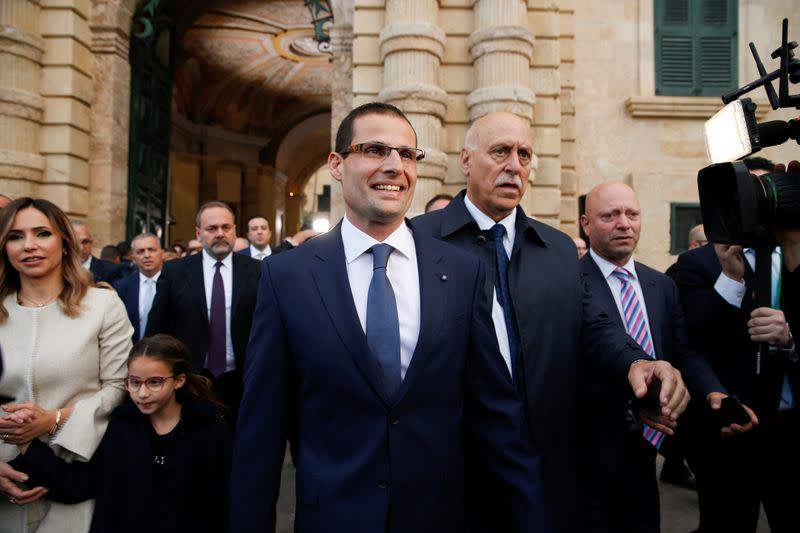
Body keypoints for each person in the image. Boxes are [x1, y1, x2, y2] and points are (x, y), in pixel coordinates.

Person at [231, 102, 549, 532]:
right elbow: (262, 431)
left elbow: (496, 411)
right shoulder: (287, 277)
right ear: (337, 164)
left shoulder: (461, 272)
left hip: (439, 516)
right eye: (376, 149)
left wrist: (531, 518)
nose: (395, 166)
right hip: (333, 518)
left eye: (406, 154)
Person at [411, 111, 689, 533]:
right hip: (451, 469)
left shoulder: (557, 249)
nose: (514, 165)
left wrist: (636, 363)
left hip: (543, 469)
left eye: (524, 154)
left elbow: (592, 323)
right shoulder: (418, 240)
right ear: (466, 160)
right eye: (500, 151)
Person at [579, 182, 727, 532]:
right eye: (610, 215)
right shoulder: (568, 282)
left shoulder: (661, 284)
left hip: (648, 456)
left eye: (632, 214)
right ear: (586, 224)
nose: (624, 223)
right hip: (588, 456)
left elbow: (681, 350)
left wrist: (712, 389)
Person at [673, 157, 797, 533]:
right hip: (730, 432)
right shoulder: (697, 264)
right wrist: (729, 279)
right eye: (751, 197)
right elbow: (691, 341)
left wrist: (791, 339)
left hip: (790, 431)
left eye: (769, 195)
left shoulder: (795, 255)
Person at [8, 334, 232, 533]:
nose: (142, 393)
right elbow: (79, 484)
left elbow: (222, 502)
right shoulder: (122, 427)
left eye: (155, 382)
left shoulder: (209, 429)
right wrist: (27, 443)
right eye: (134, 383)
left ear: (179, 381)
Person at [0, 198, 132, 531]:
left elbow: (118, 388)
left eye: (42, 233)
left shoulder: (102, 304)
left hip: (74, 471)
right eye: (15, 236)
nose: (29, 245)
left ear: (63, 242)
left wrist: (53, 420)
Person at [146, 201, 261, 428]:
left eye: (226, 227)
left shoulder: (257, 271)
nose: (220, 233)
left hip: (242, 381)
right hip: (190, 381)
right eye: (212, 228)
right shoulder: (175, 272)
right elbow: (157, 329)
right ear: (198, 234)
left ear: (235, 231)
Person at [113, 233, 165, 341]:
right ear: (133, 258)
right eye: (140, 251)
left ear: (161, 253)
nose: (147, 255)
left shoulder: (176, 283)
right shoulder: (122, 287)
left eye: (151, 250)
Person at [238, 214, 316, 260]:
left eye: (263, 228)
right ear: (248, 235)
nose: (259, 232)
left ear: (270, 233)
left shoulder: (281, 256)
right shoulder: (239, 257)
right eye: (254, 229)